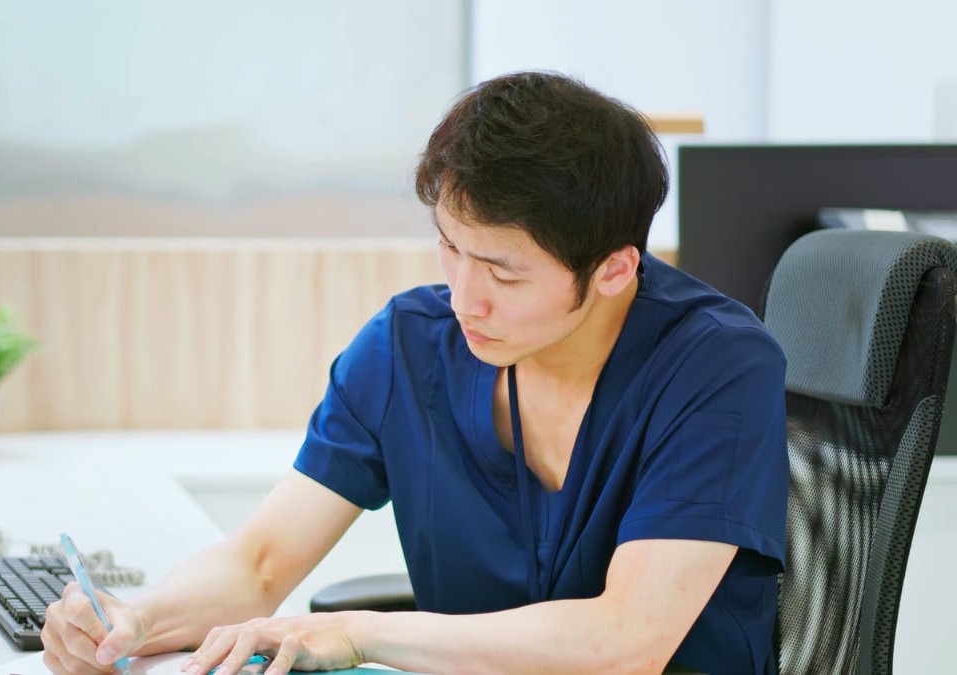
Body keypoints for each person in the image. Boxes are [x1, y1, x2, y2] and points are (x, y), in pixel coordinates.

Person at [42, 71, 789, 675]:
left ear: (614, 270)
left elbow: (626, 643)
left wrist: (365, 634)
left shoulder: (715, 366)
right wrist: (137, 620)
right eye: (451, 248)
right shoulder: (409, 345)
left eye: (503, 271)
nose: (466, 299)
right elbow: (260, 560)